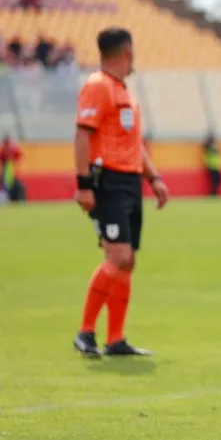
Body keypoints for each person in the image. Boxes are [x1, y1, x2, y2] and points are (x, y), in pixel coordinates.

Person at [72, 27, 169, 358]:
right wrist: (83, 185)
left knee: (128, 263)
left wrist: (153, 177)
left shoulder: (122, 90)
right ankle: (85, 332)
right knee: (119, 257)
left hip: (130, 182)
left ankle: (115, 339)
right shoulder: (97, 86)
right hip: (109, 181)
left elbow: (132, 143)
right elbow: (82, 137)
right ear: (127, 50)